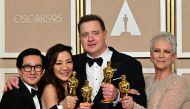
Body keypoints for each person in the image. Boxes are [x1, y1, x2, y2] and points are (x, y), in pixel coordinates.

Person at [73, 14, 147, 109]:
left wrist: (118, 95)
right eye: (85, 35)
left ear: (104, 34)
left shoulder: (130, 64)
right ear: (80, 38)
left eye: (95, 33)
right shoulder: (71, 64)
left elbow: (141, 102)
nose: (90, 39)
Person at [121, 32, 190, 109]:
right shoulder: (146, 81)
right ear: (151, 55)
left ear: (173, 57)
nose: (161, 56)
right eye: (157, 51)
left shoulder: (178, 83)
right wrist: (129, 95)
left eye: (167, 51)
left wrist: (133, 105)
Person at [39, 43, 93, 109]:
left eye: (69, 62)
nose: (65, 68)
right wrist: (62, 106)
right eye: (59, 63)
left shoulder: (72, 85)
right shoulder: (50, 89)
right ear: (51, 66)